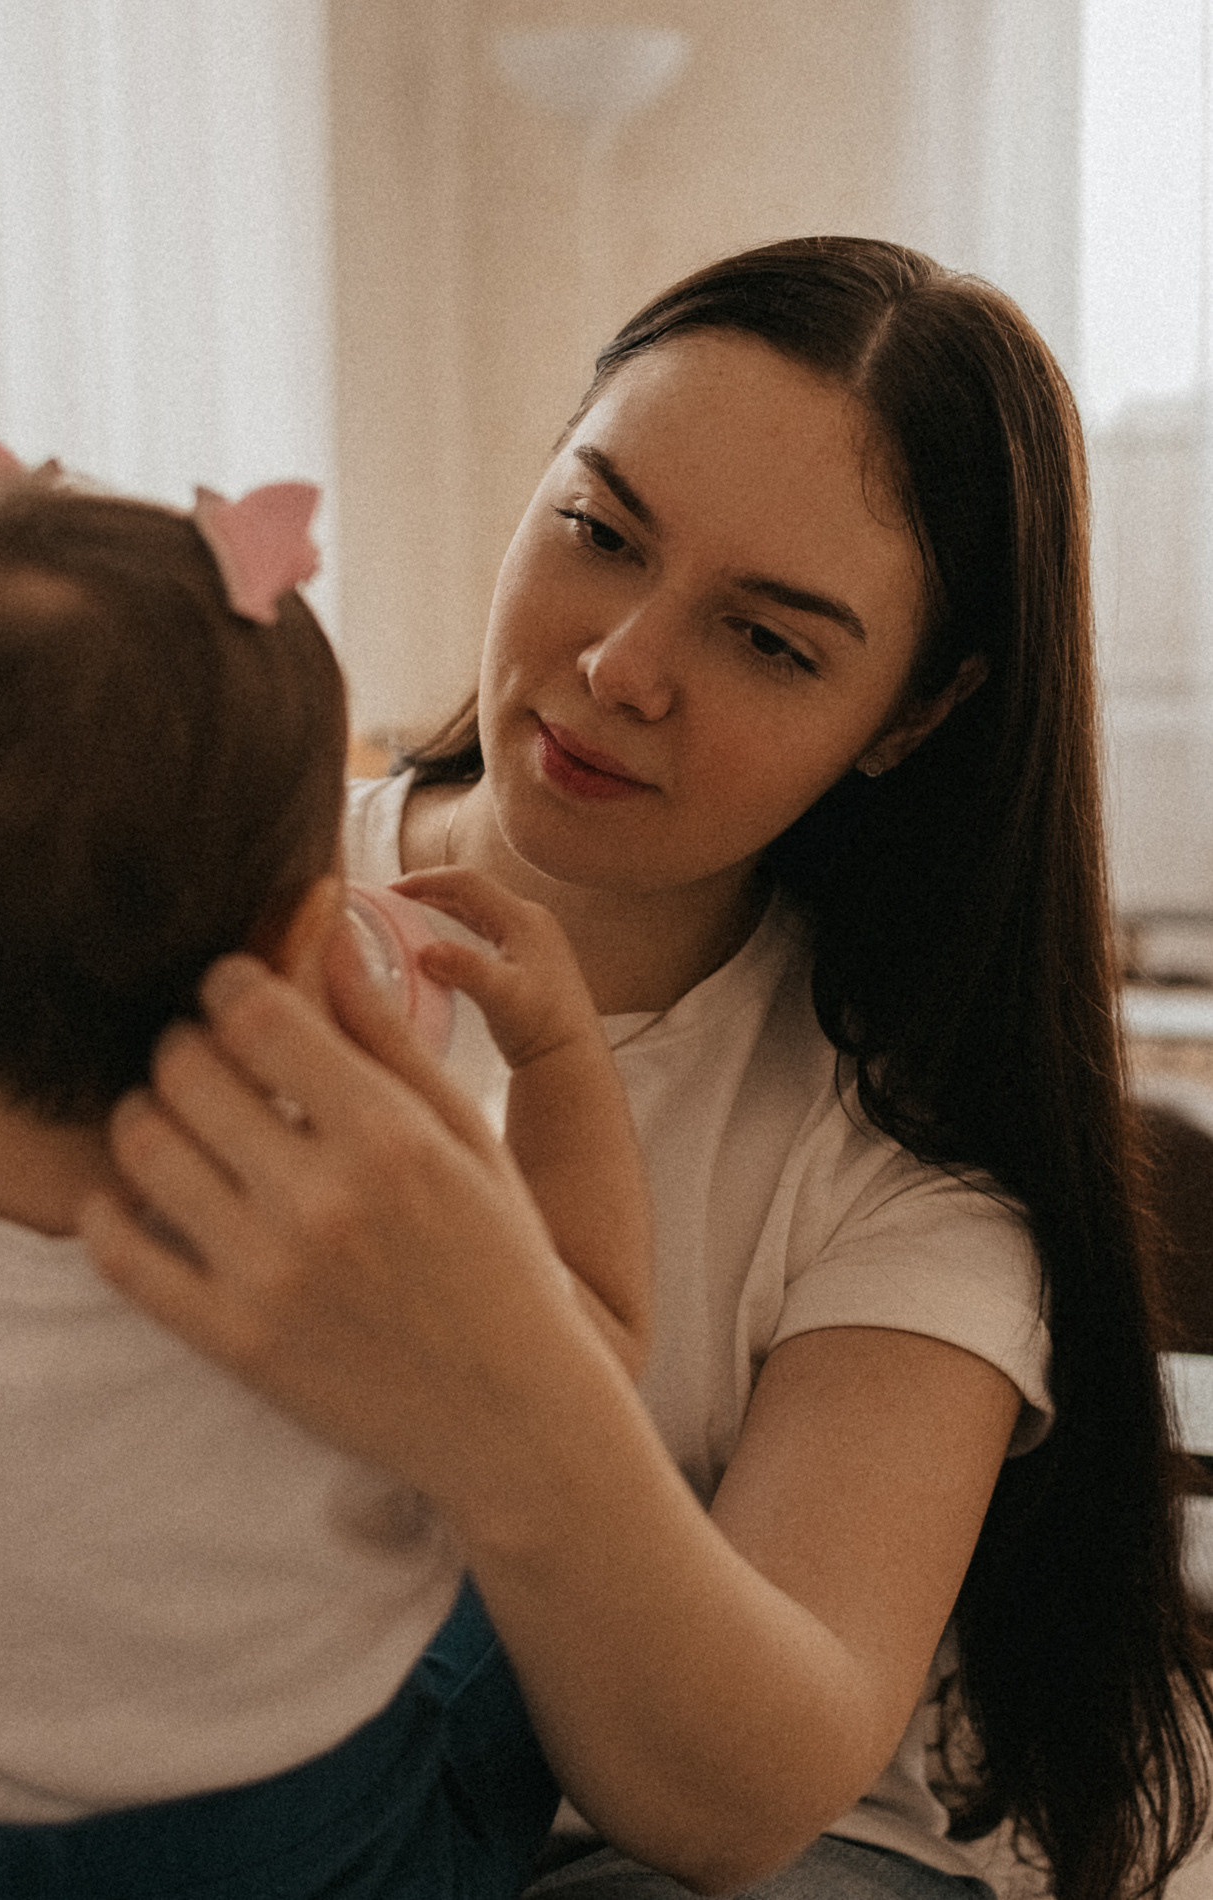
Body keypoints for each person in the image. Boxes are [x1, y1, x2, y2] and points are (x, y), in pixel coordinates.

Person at [83, 237, 1213, 1900]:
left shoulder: (908, 1165)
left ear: (913, 717)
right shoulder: (186, 886)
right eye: (600, 532)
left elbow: (729, 1806)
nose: (623, 665)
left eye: (769, 641)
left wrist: (510, 1386)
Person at [0, 433, 653, 1897]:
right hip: (306, 1851)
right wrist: (559, 1057)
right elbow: (596, 1334)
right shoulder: (340, 1256)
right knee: (536, 1594)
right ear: (297, 946)